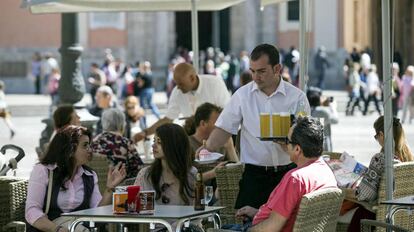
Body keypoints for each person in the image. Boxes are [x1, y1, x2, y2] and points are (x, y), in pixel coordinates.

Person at [201, 44, 311, 210]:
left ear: (277, 68)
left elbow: (307, 140)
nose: (255, 77)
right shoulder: (242, 95)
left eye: (261, 71)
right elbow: (224, 129)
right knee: (247, 224)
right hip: (254, 175)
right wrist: (207, 147)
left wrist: (289, 144)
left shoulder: (297, 97)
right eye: (252, 71)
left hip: (289, 174)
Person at [233, 117, 337, 232]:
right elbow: (291, 214)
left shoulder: (296, 179)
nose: (285, 145)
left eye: (287, 141)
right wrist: (257, 213)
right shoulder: (326, 171)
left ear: (297, 149)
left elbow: (271, 228)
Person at [25, 126, 127, 232]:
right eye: (85, 145)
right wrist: (57, 229)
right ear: (70, 149)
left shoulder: (90, 176)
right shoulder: (44, 171)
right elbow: (32, 211)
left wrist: (109, 188)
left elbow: (97, 214)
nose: (90, 149)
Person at [341, 116, 413, 231]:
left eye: (376, 136)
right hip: (400, 216)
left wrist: (340, 191)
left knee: (340, 214)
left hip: (375, 218)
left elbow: (364, 195)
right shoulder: (408, 157)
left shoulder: (380, 159)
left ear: (381, 135)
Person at [133, 62, 231, 143]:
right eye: (176, 84)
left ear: (192, 78)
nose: (178, 87)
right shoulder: (177, 92)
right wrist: (145, 132)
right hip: (192, 140)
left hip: (217, 138)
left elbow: (226, 113)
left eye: (181, 84)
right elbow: (168, 119)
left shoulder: (214, 84)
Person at [134, 123, 198, 231]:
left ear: (173, 145)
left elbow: (197, 213)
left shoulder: (191, 174)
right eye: (154, 141)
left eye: (159, 142)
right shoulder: (146, 175)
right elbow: (135, 209)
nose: (154, 145)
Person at [184, 103, 239, 182]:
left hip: (223, 190)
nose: (221, 126)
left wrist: (230, 148)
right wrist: (213, 173)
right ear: (203, 124)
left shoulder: (222, 142)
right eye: (218, 123)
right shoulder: (187, 144)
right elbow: (186, 179)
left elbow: (238, 172)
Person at [92, 108, 144, 179]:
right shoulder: (125, 143)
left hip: (96, 186)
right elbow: (139, 170)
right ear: (122, 124)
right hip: (120, 186)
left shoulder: (94, 142)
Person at [306, 87, 339, 152]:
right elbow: (335, 120)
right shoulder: (321, 111)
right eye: (321, 96)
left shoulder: (309, 109)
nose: (324, 98)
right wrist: (332, 107)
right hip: (323, 147)